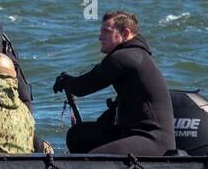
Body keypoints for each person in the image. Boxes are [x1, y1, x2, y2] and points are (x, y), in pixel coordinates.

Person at [52, 11, 174, 156]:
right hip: (130, 133)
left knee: (92, 160)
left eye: (106, 32)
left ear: (125, 33)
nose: (100, 37)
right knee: (78, 135)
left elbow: (84, 86)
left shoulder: (124, 58)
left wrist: (66, 81)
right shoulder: (135, 54)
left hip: (152, 139)